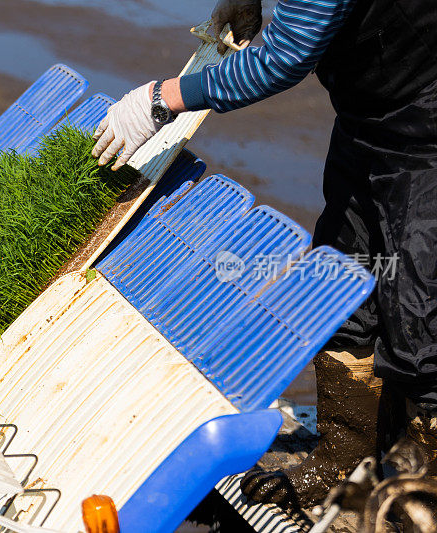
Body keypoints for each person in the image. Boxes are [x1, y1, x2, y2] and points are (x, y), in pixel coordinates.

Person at [92, 0, 437, 509]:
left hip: (427, 128)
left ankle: (418, 498)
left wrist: (161, 100)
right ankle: (346, 461)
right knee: (340, 284)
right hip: (368, 117)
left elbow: (284, 57)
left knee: (420, 323)